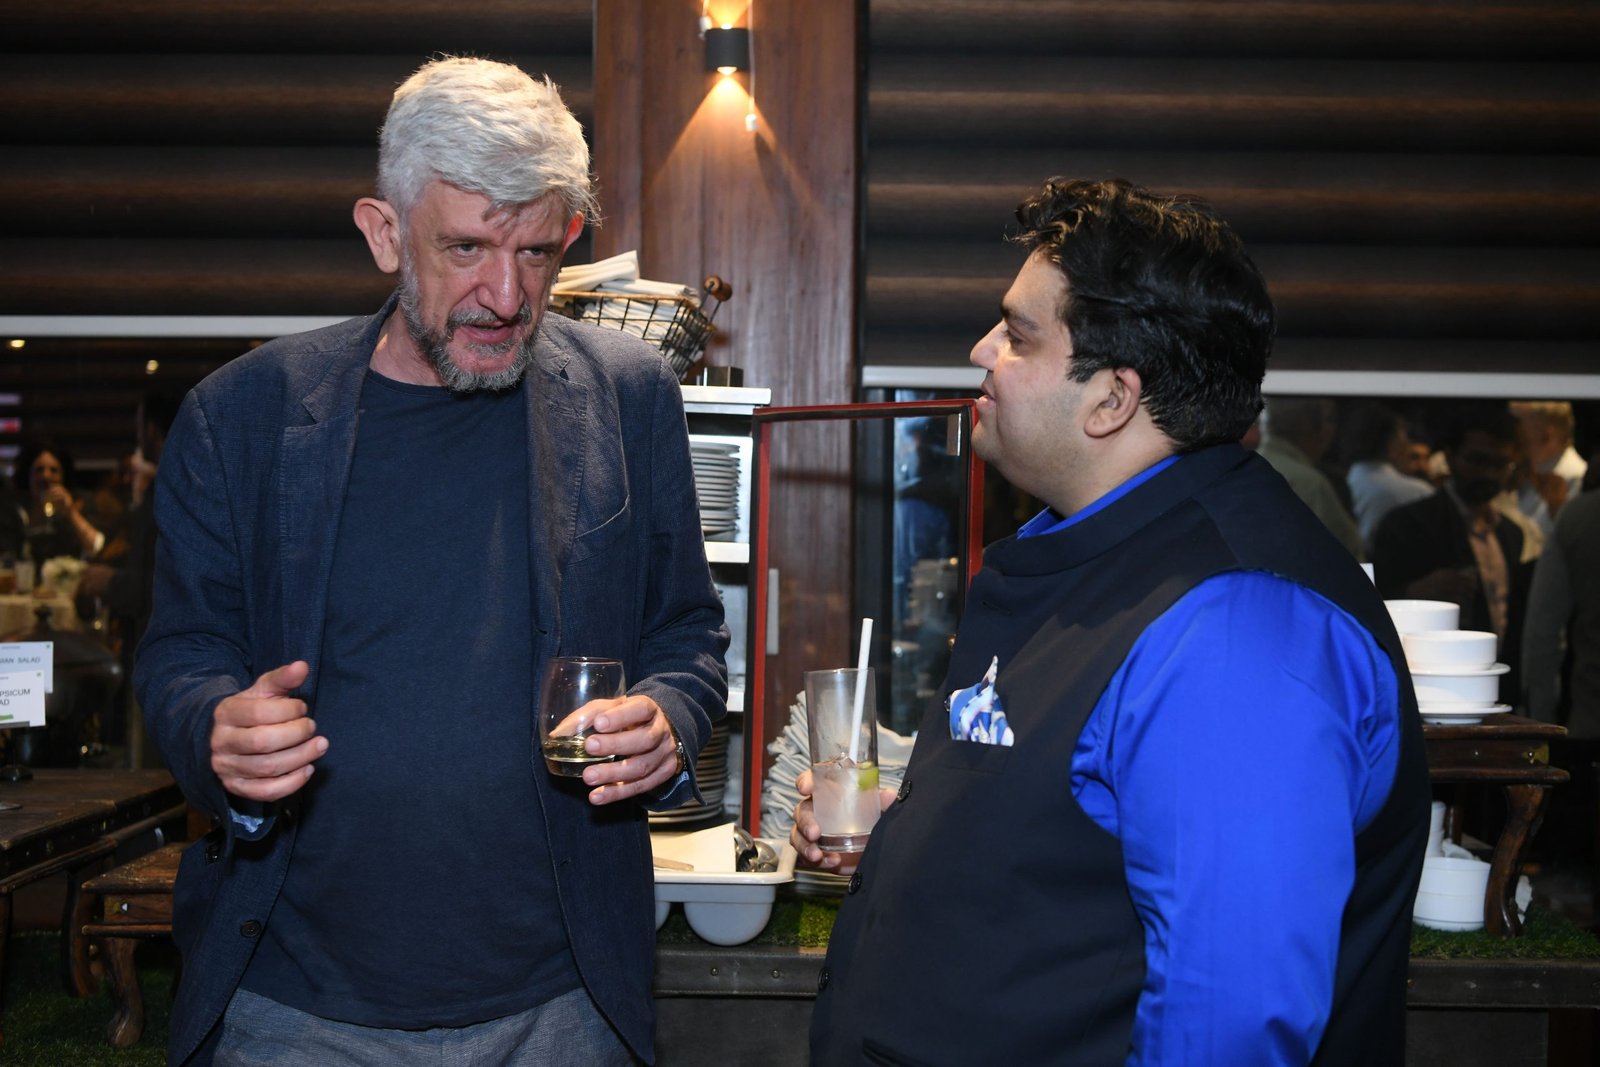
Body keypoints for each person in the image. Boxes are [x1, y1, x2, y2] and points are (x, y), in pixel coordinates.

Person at [135, 57, 728, 1066]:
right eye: (465, 248)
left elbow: (686, 633)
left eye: (536, 252)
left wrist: (667, 716)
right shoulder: (241, 416)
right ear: (384, 233)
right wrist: (215, 728)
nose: (506, 294)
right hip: (295, 1010)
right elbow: (182, 654)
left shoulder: (629, 397)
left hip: (564, 1005)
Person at [795, 178, 1429, 1064]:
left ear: (1112, 399)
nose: (981, 350)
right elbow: (1072, 839)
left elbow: (1229, 1024)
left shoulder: (1238, 630)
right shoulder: (1096, 547)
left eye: (1018, 335)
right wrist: (911, 839)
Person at [1371, 404, 1533, 696]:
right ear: (1449, 457)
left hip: (1494, 681)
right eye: (1477, 461)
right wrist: (1415, 593)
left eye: (1500, 464)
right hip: (1429, 684)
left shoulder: (1510, 533)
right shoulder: (1408, 524)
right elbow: (1372, 600)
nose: (1488, 474)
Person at [1254, 396, 1365, 559]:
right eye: (1329, 419)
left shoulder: (1244, 470)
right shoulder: (1310, 484)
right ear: (1308, 426)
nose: (1332, 430)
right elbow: (1344, 555)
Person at [1342, 402, 1435, 551]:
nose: (1406, 442)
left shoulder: (1340, 484)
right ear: (1392, 441)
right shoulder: (1421, 493)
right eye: (1402, 433)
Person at [12, 438, 106, 566]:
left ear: (63, 476)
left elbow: (97, 548)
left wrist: (71, 512)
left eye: (53, 470)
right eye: (39, 469)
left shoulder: (81, 502)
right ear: (27, 475)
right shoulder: (14, 508)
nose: (46, 476)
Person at [1511, 400, 1587, 534]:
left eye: (1518, 428)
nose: (1511, 438)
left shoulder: (1577, 479)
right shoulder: (1518, 473)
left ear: (1548, 437)